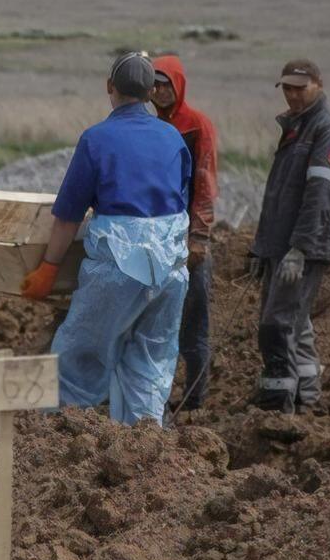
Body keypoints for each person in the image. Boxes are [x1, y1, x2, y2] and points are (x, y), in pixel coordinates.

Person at [21, 52, 192, 425]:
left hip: (119, 266)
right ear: (150, 92)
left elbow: (68, 216)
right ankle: (145, 448)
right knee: (150, 362)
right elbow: (178, 202)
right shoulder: (173, 138)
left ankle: (58, 439)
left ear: (109, 87)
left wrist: (49, 268)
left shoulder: (96, 139)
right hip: (172, 269)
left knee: (78, 358)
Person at [249, 59, 330, 413]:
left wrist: (300, 249)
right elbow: (281, 196)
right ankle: (307, 398)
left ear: (319, 85)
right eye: (288, 88)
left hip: (304, 246)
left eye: (300, 87)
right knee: (297, 323)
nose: (293, 95)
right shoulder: (297, 128)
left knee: (277, 324)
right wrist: (263, 249)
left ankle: (279, 403)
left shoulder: (327, 130)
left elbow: (321, 196)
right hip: (283, 244)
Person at [151, 55, 219, 411]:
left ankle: (194, 400)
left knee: (194, 320)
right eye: (154, 84)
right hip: (159, 236)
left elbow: (205, 184)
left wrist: (200, 236)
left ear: (178, 85)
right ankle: (156, 396)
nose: (160, 91)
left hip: (188, 236)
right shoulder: (153, 126)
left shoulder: (196, 125)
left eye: (166, 84)